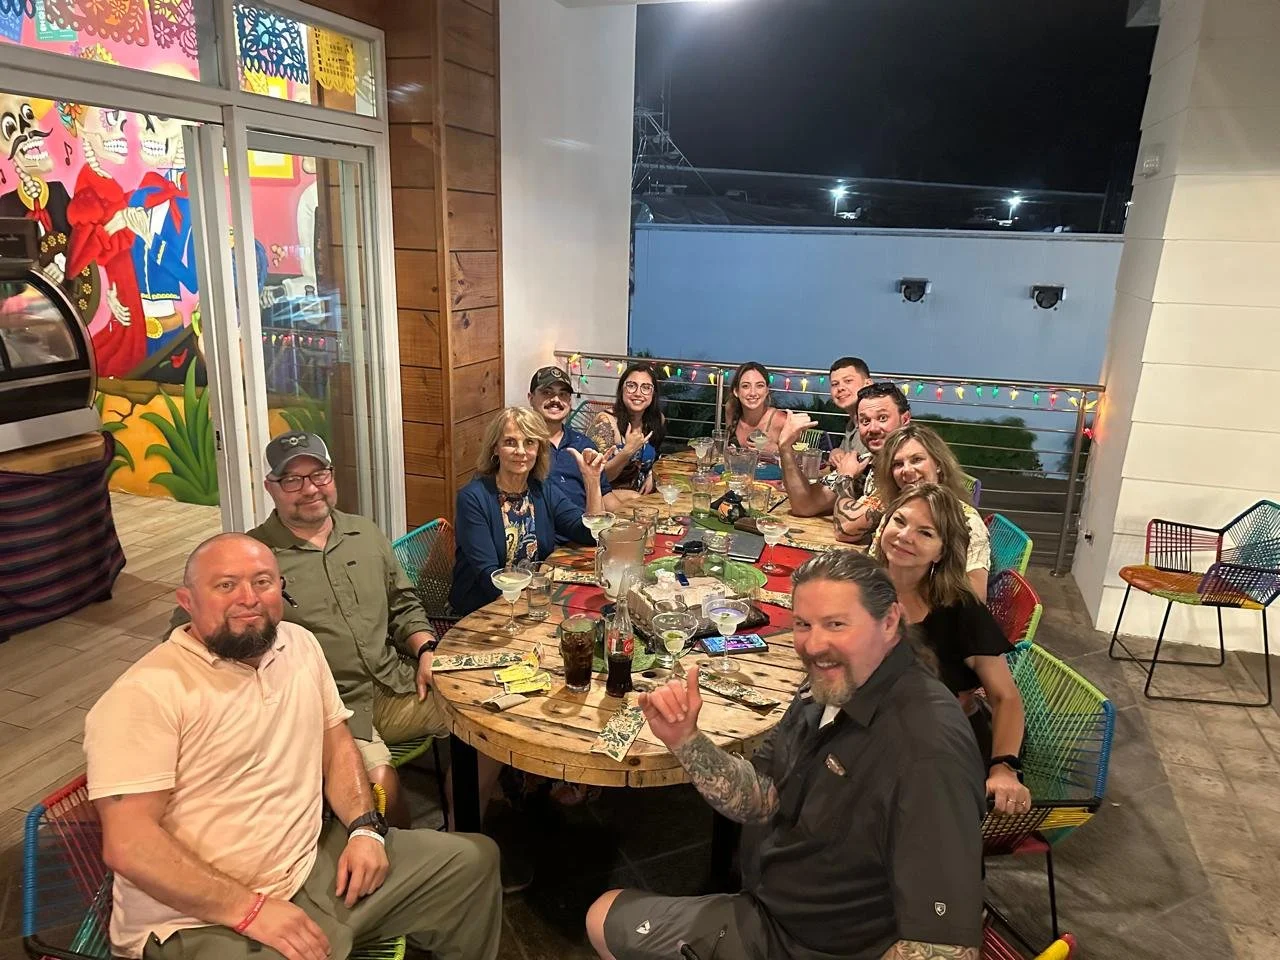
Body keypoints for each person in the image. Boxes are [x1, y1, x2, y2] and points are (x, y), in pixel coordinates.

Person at [86, 533, 502, 960]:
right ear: (187, 601)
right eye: (226, 585)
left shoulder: (298, 645)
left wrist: (365, 829)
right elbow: (129, 844)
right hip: (203, 920)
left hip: (315, 866)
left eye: (263, 582)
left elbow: (338, 744)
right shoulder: (144, 694)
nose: (248, 598)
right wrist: (249, 910)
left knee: (472, 861)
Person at [586, 549, 985, 960]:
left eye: (836, 624)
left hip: (817, 944)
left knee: (602, 918)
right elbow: (761, 798)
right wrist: (686, 739)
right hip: (770, 907)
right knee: (604, 914)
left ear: (889, 621)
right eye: (803, 624)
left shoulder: (928, 749)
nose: (814, 645)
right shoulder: (830, 686)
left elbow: (943, 946)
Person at [167, 431, 443, 830]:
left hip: (396, 685)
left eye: (319, 475)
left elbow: (402, 603)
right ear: (270, 488)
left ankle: (485, 813)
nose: (309, 489)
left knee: (487, 716)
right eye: (292, 480)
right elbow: (186, 631)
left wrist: (425, 650)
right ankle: (400, 867)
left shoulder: (365, 533)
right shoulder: (253, 557)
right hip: (327, 712)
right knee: (380, 786)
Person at [877, 484, 1031, 812]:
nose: (905, 536)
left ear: (942, 552)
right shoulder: (861, 588)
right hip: (880, 732)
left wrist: (1003, 767)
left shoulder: (959, 608)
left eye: (925, 533)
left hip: (941, 744)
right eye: (899, 521)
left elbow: (1006, 697)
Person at [452, 406, 608, 616]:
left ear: (539, 449)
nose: (521, 451)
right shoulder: (473, 498)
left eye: (529, 442)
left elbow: (589, 534)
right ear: (495, 448)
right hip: (481, 611)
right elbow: (488, 576)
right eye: (510, 442)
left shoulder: (542, 490)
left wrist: (592, 480)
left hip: (533, 603)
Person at [778, 382, 912, 541]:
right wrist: (785, 448)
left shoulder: (908, 471)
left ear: (905, 419)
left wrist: (846, 476)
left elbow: (846, 530)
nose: (873, 428)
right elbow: (805, 504)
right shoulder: (866, 462)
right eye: (865, 421)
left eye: (882, 418)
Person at [870, 424, 991, 597]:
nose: (907, 470)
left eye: (917, 459)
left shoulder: (968, 522)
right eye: (898, 464)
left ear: (938, 464)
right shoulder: (895, 510)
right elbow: (876, 565)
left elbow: (976, 599)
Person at [528, 365, 634, 515]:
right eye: (547, 393)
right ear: (531, 398)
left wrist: (631, 521)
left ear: (569, 402)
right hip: (543, 534)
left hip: (583, 529)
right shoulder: (524, 447)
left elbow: (604, 496)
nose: (556, 400)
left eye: (563, 394)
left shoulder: (583, 444)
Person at [587, 362, 665, 494]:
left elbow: (657, 457)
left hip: (643, 495)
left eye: (646, 387)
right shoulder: (605, 422)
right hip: (606, 495)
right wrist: (627, 451)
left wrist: (653, 475)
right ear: (621, 390)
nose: (638, 393)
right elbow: (598, 477)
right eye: (631, 386)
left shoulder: (657, 420)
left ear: (653, 393)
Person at [725, 361, 788, 455]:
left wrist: (776, 450)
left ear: (767, 391)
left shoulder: (780, 421)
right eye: (745, 386)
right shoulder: (731, 409)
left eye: (759, 386)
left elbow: (800, 459)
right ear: (736, 391)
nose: (753, 393)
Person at [824, 355, 874, 460]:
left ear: (868, 384)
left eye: (848, 381)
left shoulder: (874, 425)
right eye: (835, 384)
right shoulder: (852, 424)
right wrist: (836, 451)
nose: (840, 388)